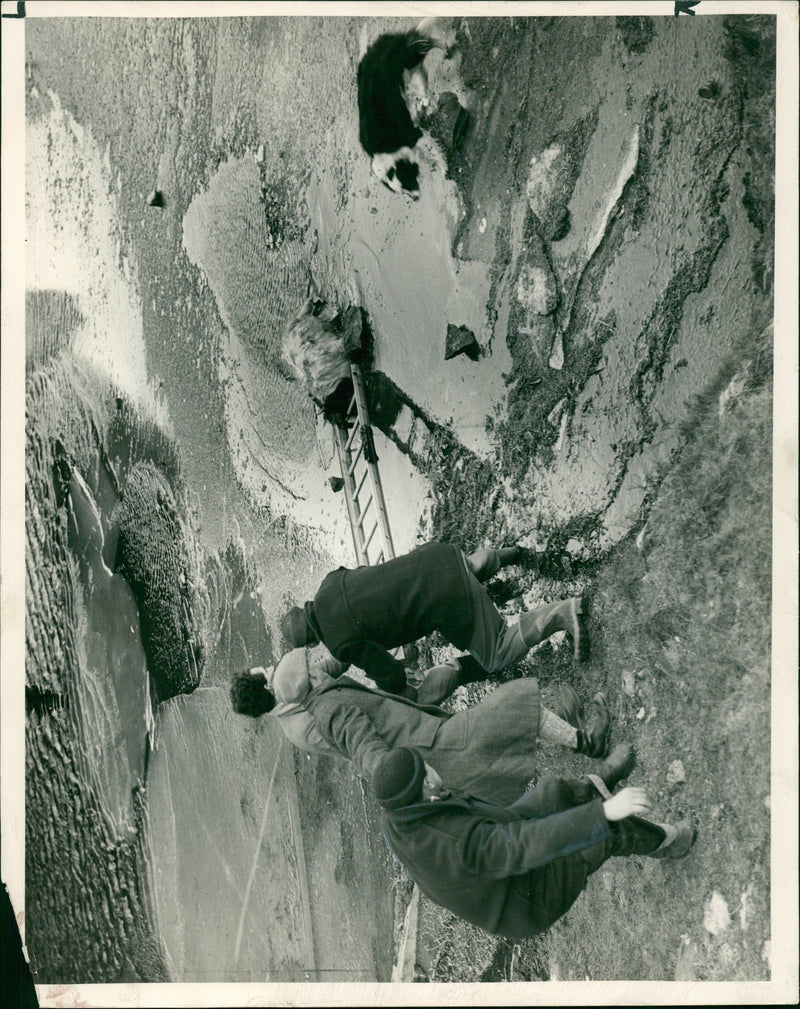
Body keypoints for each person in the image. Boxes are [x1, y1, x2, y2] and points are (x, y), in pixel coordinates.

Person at [372, 746, 695, 941]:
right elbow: (522, 845)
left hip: (500, 858)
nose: (433, 766)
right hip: (526, 899)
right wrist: (604, 814)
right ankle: (668, 842)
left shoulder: (396, 815)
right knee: (604, 832)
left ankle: (601, 780)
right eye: (428, 767)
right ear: (428, 785)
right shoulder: (459, 844)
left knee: (554, 791)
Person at [279, 541, 588, 697]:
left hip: (448, 598)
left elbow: (389, 673)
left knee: (495, 654)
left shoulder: (339, 644)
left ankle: (562, 613)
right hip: (436, 557)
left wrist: (396, 689)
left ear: (311, 641)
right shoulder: (329, 583)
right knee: (468, 566)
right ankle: (516, 553)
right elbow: (373, 597)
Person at [230, 649, 487, 758]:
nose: (270, 666)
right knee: (460, 726)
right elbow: (357, 741)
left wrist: (350, 643)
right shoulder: (301, 728)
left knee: (452, 674)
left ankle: (490, 664)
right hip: (397, 733)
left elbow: (333, 664)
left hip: (387, 708)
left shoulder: (294, 686)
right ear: (266, 685)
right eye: (265, 670)